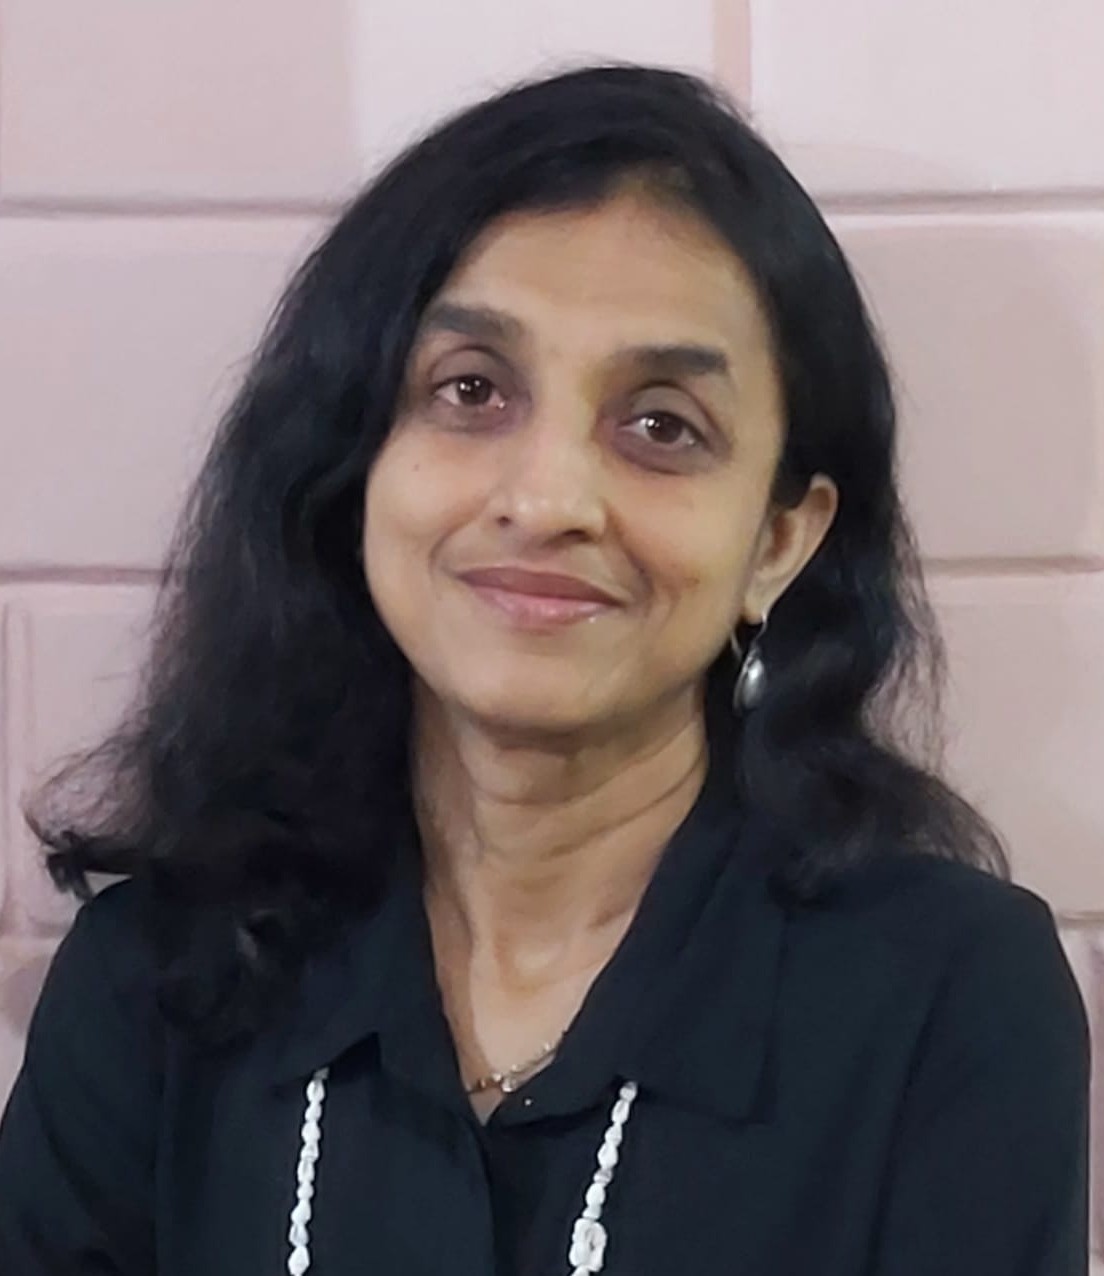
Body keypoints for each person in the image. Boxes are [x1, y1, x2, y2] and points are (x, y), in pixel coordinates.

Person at [0, 63, 1089, 1275]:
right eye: (470, 390)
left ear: (777, 541)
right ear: (354, 468)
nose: (548, 497)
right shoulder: (155, 980)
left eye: (662, 424)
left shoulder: (949, 1001)